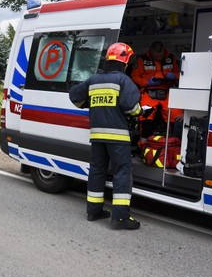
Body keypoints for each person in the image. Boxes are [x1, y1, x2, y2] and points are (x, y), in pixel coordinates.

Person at [69, 42, 143, 230]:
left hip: (97, 136)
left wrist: (90, 105)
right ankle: (120, 218)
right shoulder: (123, 80)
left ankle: (93, 211)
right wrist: (140, 111)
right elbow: (132, 108)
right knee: (121, 174)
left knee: (97, 171)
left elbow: (75, 97)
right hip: (118, 138)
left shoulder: (94, 79)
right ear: (124, 61)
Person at [130, 40, 182, 137]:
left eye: (160, 55)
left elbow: (180, 75)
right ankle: (144, 143)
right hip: (149, 90)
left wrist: (174, 76)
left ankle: (174, 142)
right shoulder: (142, 60)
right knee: (145, 116)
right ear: (151, 51)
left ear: (164, 51)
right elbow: (135, 76)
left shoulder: (170, 58)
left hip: (167, 90)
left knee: (177, 116)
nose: (159, 57)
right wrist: (147, 82)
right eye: (156, 55)